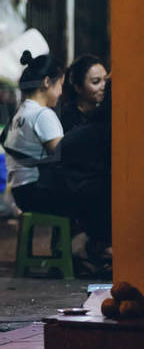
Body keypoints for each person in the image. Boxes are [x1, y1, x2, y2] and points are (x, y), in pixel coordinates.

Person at [2, 50, 69, 216]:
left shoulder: (21, 113)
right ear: (47, 82)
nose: (61, 92)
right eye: (60, 84)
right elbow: (65, 156)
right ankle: (71, 242)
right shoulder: (42, 115)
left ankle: (63, 240)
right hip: (38, 193)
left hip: (21, 194)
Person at [61, 82, 111, 261]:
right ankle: (92, 244)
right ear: (78, 87)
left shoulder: (97, 120)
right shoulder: (70, 116)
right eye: (96, 81)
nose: (101, 87)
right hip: (70, 187)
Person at [60, 54, 108, 133]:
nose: (104, 86)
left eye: (106, 80)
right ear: (78, 87)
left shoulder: (103, 111)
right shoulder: (67, 118)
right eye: (96, 82)